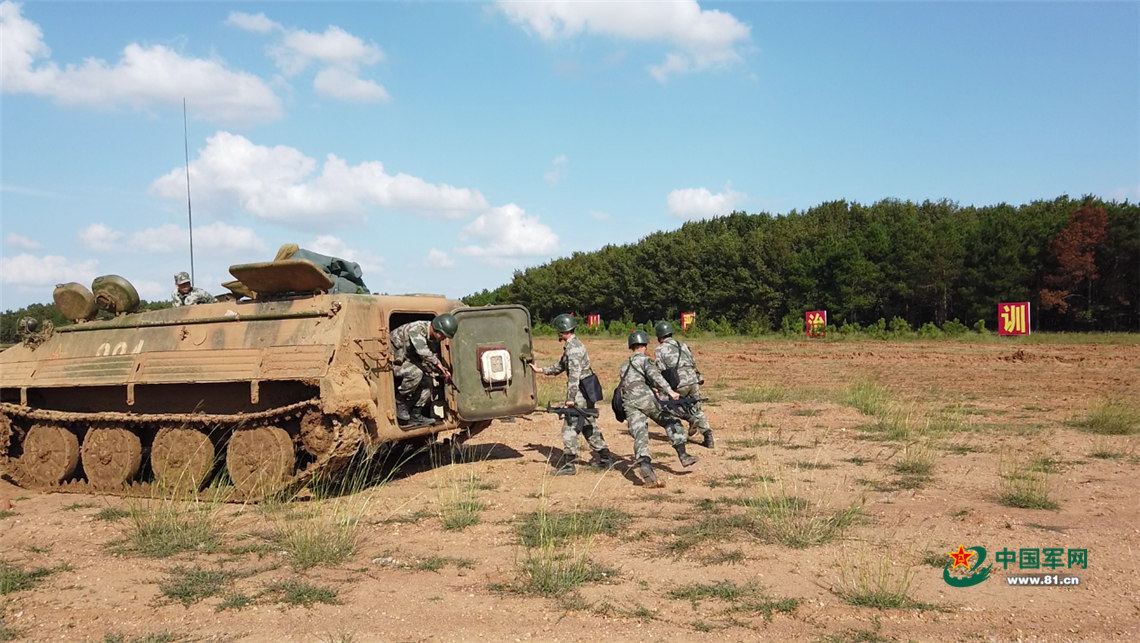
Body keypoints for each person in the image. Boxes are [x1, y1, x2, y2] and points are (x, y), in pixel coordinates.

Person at [530, 313, 616, 476]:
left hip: (580, 393)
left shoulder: (573, 348)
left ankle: (569, 465)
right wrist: (540, 370)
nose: (557, 333)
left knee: (569, 426)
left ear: (562, 330)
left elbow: (574, 375)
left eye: (558, 330)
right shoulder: (572, 346)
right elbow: (560, 366)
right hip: (584, 391)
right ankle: (606, 458)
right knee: (588, 425)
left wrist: (570, 399)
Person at [619, 329, 696, 488]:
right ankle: (683, 455)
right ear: (645, 345)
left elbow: (631, 382)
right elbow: (656, 377)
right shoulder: (645, 360)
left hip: (628, 401)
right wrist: (670, 391)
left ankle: (645, 466)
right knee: (671, 421)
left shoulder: (625, 365)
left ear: (631, 346)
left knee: (640, 434)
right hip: (645, 398)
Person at [654, 321, 714, 448]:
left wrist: (661, 388)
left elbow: (661, 369)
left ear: (659, 335)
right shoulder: (683, 345)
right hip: (693, 380)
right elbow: (693, 362)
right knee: (696, 408)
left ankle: (687, 420)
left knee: (665, 406)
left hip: (679, 381)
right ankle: (708, 438)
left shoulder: (660, 349)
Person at [390, 313, 457, 426]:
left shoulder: (432, 337)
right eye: (443, 335)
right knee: (416, 373)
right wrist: (438, 364)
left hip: (407, 360)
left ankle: (416, 414)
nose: (443, 338)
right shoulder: (417, 329)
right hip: (391, 361)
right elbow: (423, 352)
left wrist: (441, 371)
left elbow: (426, 359)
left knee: (427, 381)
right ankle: (400, 402)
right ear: (436, 329)